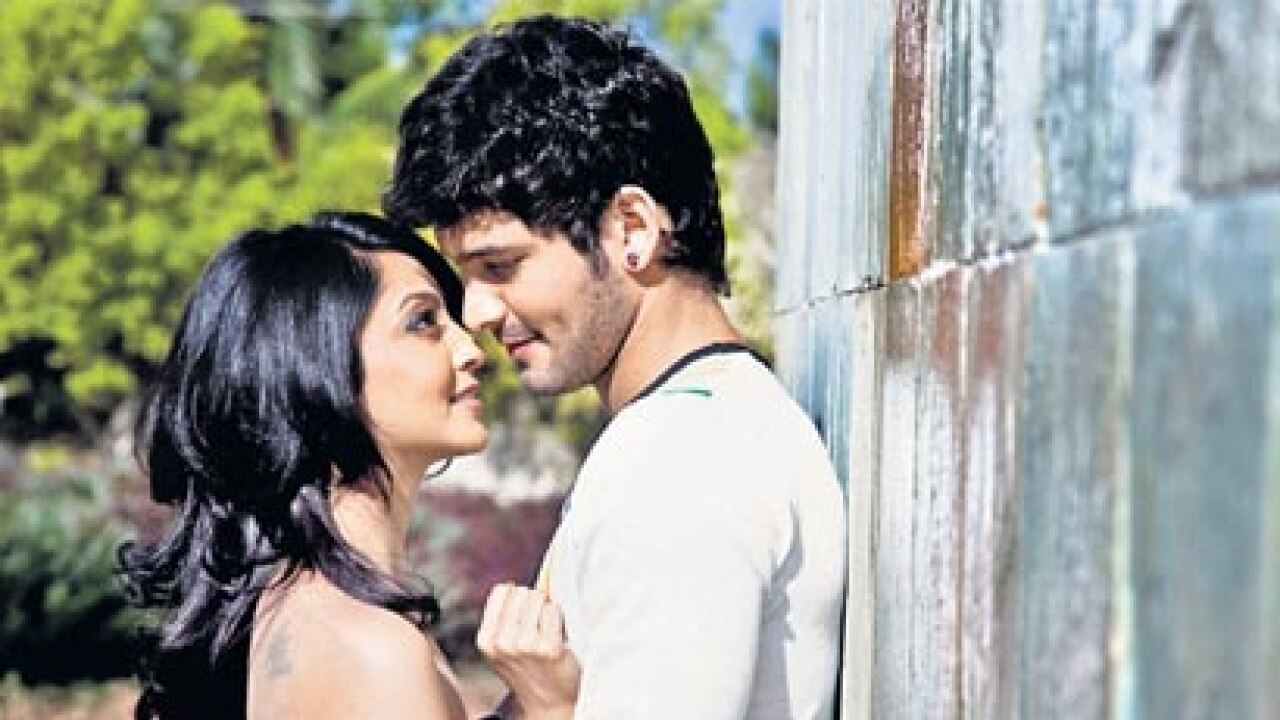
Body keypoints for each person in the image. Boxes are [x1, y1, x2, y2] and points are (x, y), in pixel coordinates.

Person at [384, 15, 848, 720]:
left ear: (631, 229)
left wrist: (550, 710)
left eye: (501, 266)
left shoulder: (682, 463)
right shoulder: (693, 428)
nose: (475, 311)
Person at [118, 212, 577, 720]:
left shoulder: (309, 603)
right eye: (423, 322)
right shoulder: (372, 647)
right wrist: (552, 709)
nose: (471, 350)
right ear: (317, 370)